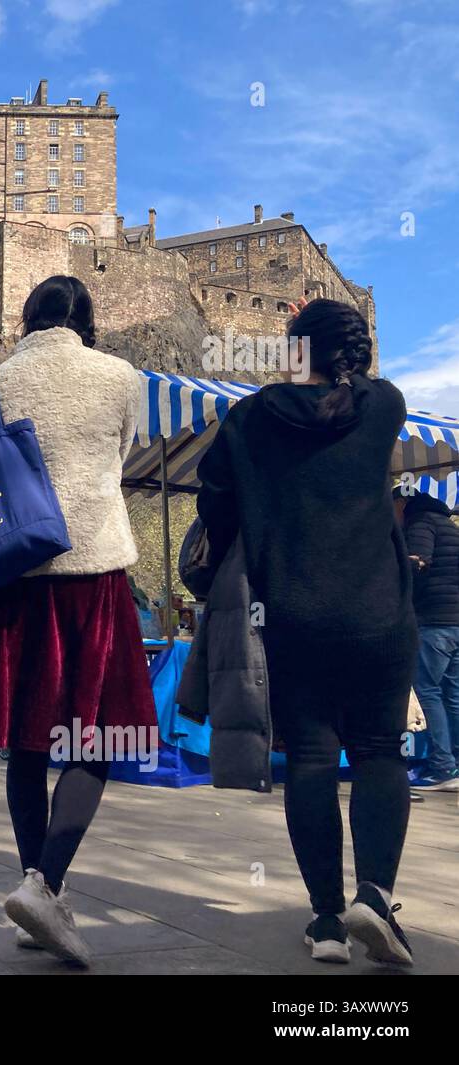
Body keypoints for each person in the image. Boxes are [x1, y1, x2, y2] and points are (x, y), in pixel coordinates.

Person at [0, 275, 156, 968]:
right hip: (96, 574)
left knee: (26, 742)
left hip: (13, 581)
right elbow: (118, 458)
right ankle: (44, 886)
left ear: (26, 319)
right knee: (96, 740)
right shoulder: (121, 377)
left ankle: (34, 891)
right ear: (88, 321)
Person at [197, 298, 417, 967]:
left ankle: (326, 920)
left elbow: (215, 503)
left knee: (314, 760)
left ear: (297, 353)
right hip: (380, 616)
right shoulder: (385, 407)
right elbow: (354, 380)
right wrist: (317, 334)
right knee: (380, 752)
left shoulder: (248, 420)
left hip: (291, 615)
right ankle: (374, 897)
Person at [395, 484, 459, 791]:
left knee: (427, 691)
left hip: (433, 621)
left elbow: (417, 561)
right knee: (453, 696)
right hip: (456, 622)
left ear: (403, 502)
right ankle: (454, 764)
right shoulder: (449, 525)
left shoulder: (421, 522)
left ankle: (442, 769)